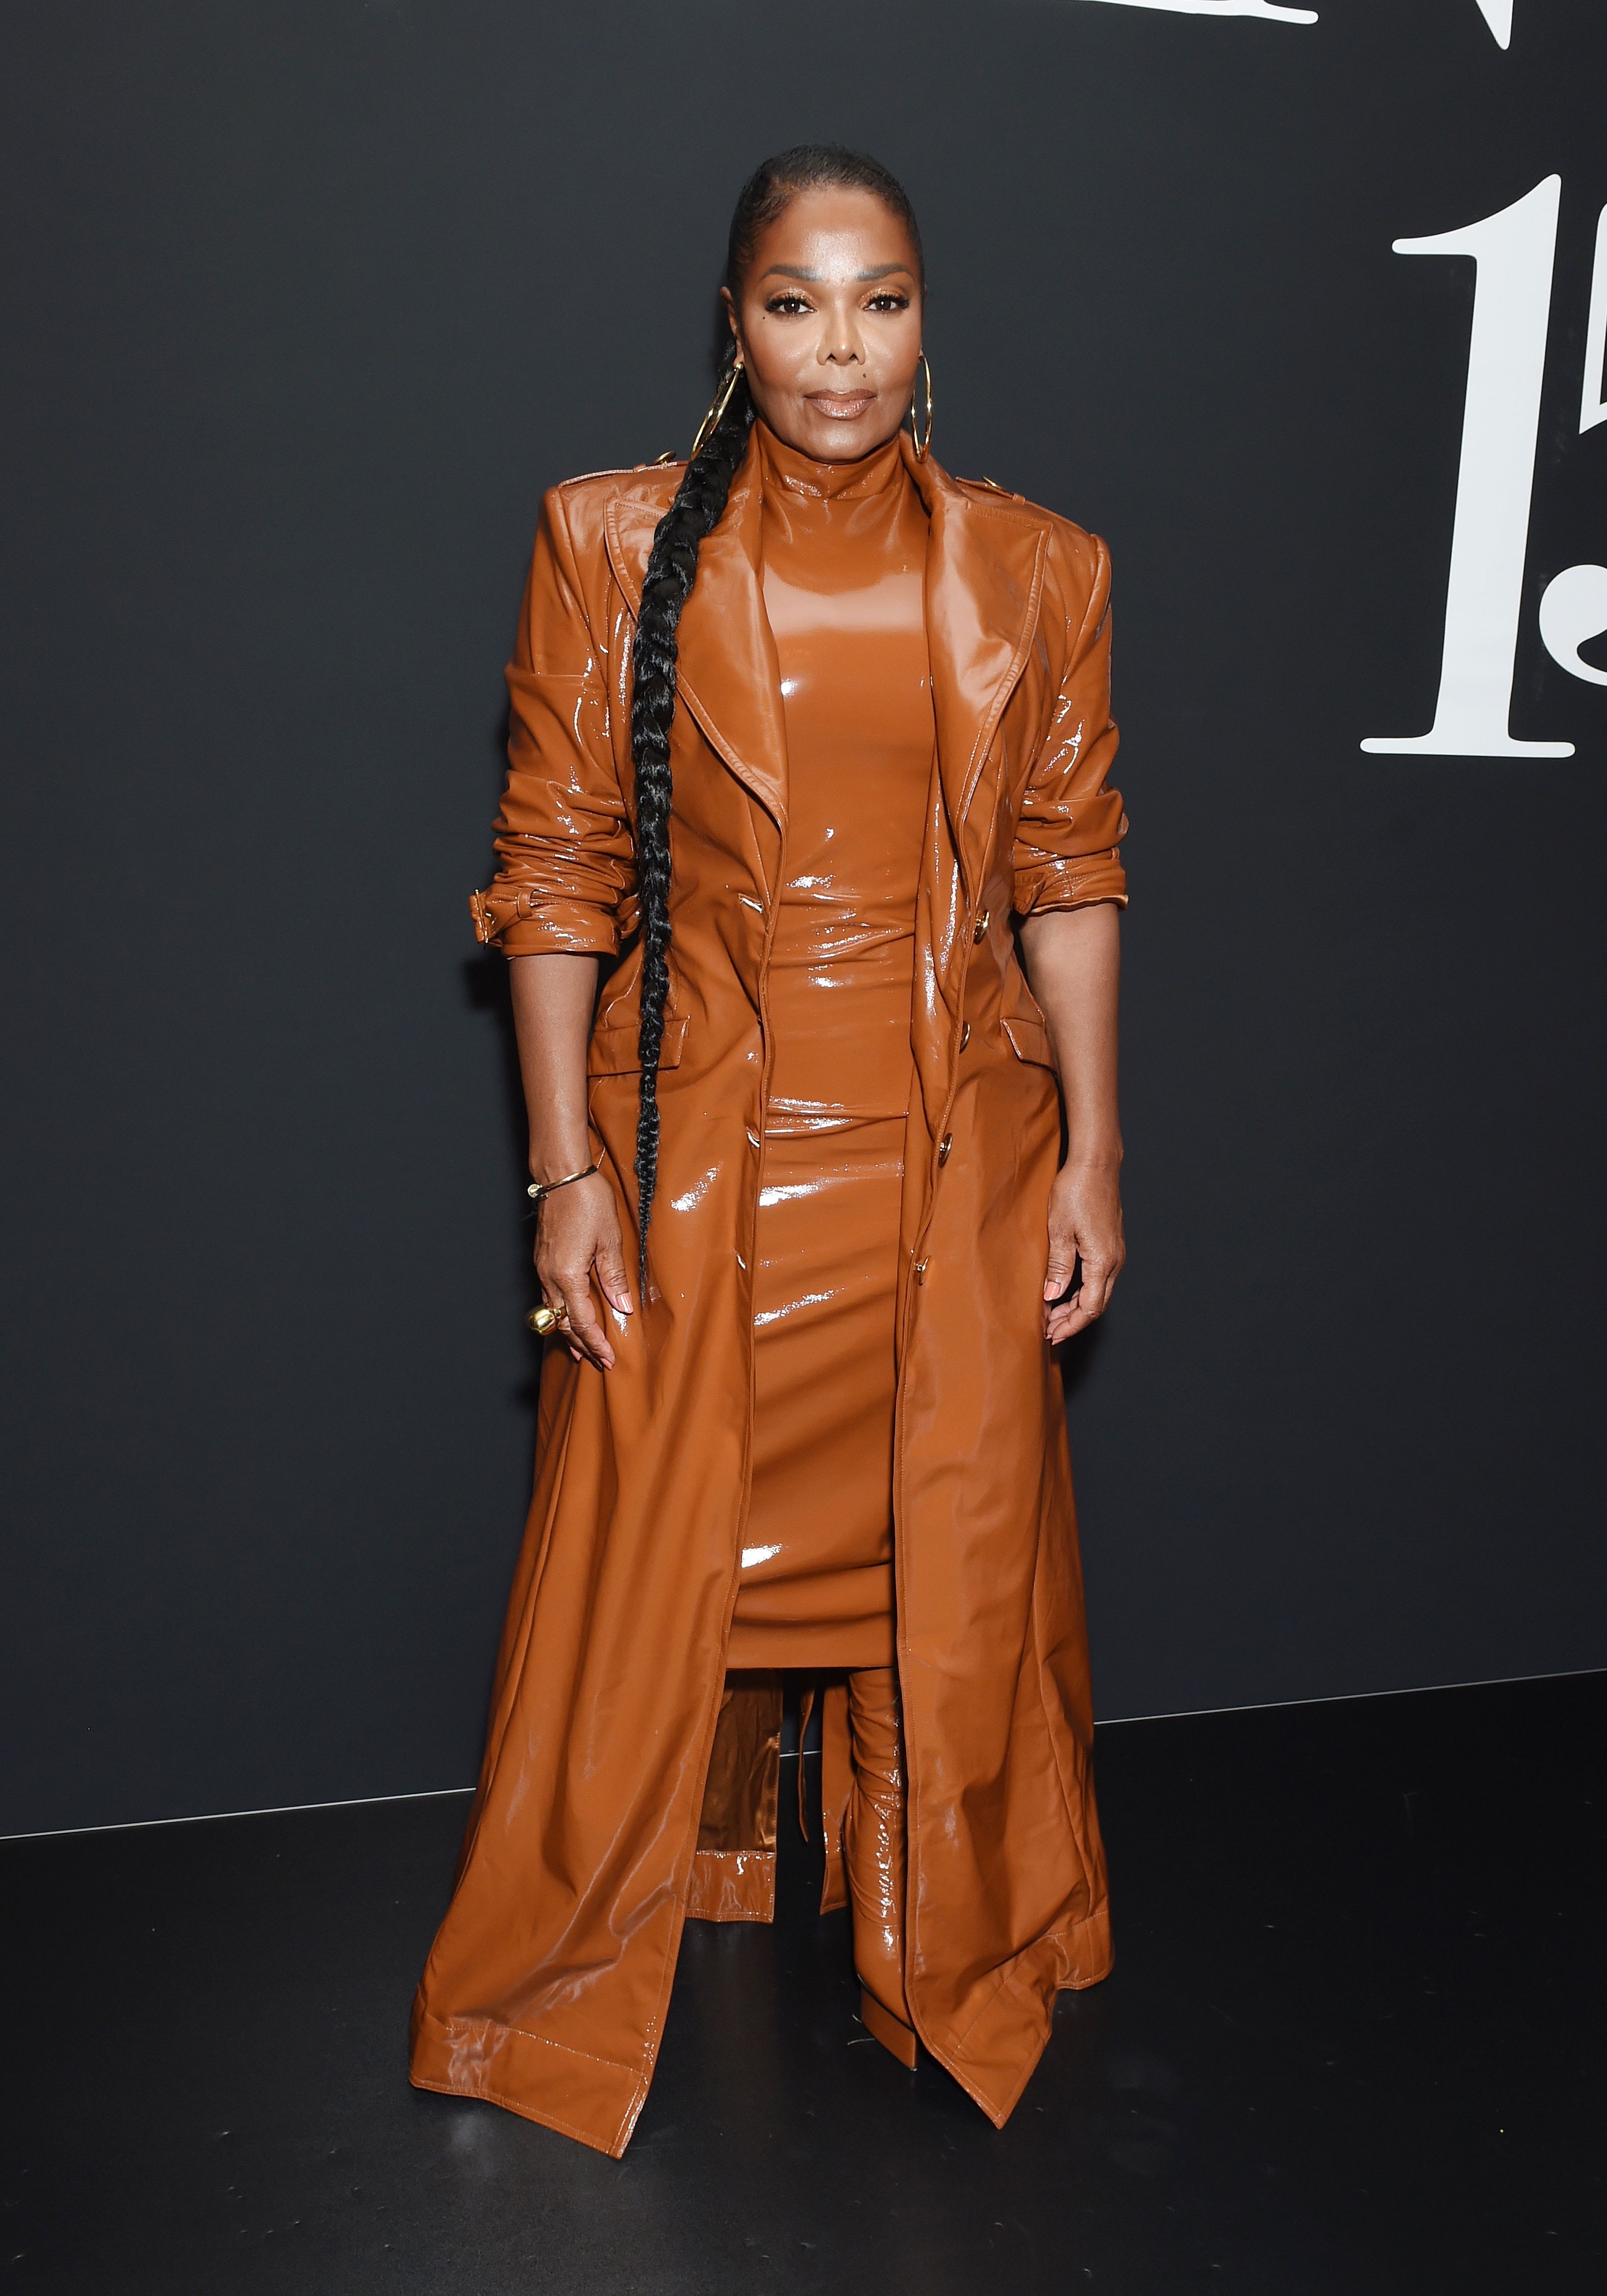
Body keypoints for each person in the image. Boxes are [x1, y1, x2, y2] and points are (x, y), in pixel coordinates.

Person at [410, 144, 1128, 2158]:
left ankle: (954, 1931)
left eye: (881, 301)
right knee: (643, 1578)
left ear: (925, 319)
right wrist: (566, 1171)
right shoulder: (607, 540)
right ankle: (606, 1947)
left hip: (950, 1158)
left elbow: (1070, 873)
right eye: (797, 303)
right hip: (702, 1148)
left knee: (951, 1568)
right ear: (732, 321)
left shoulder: (1038, 567)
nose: (841, 349)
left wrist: (1093, 1152)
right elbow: (553, 873)